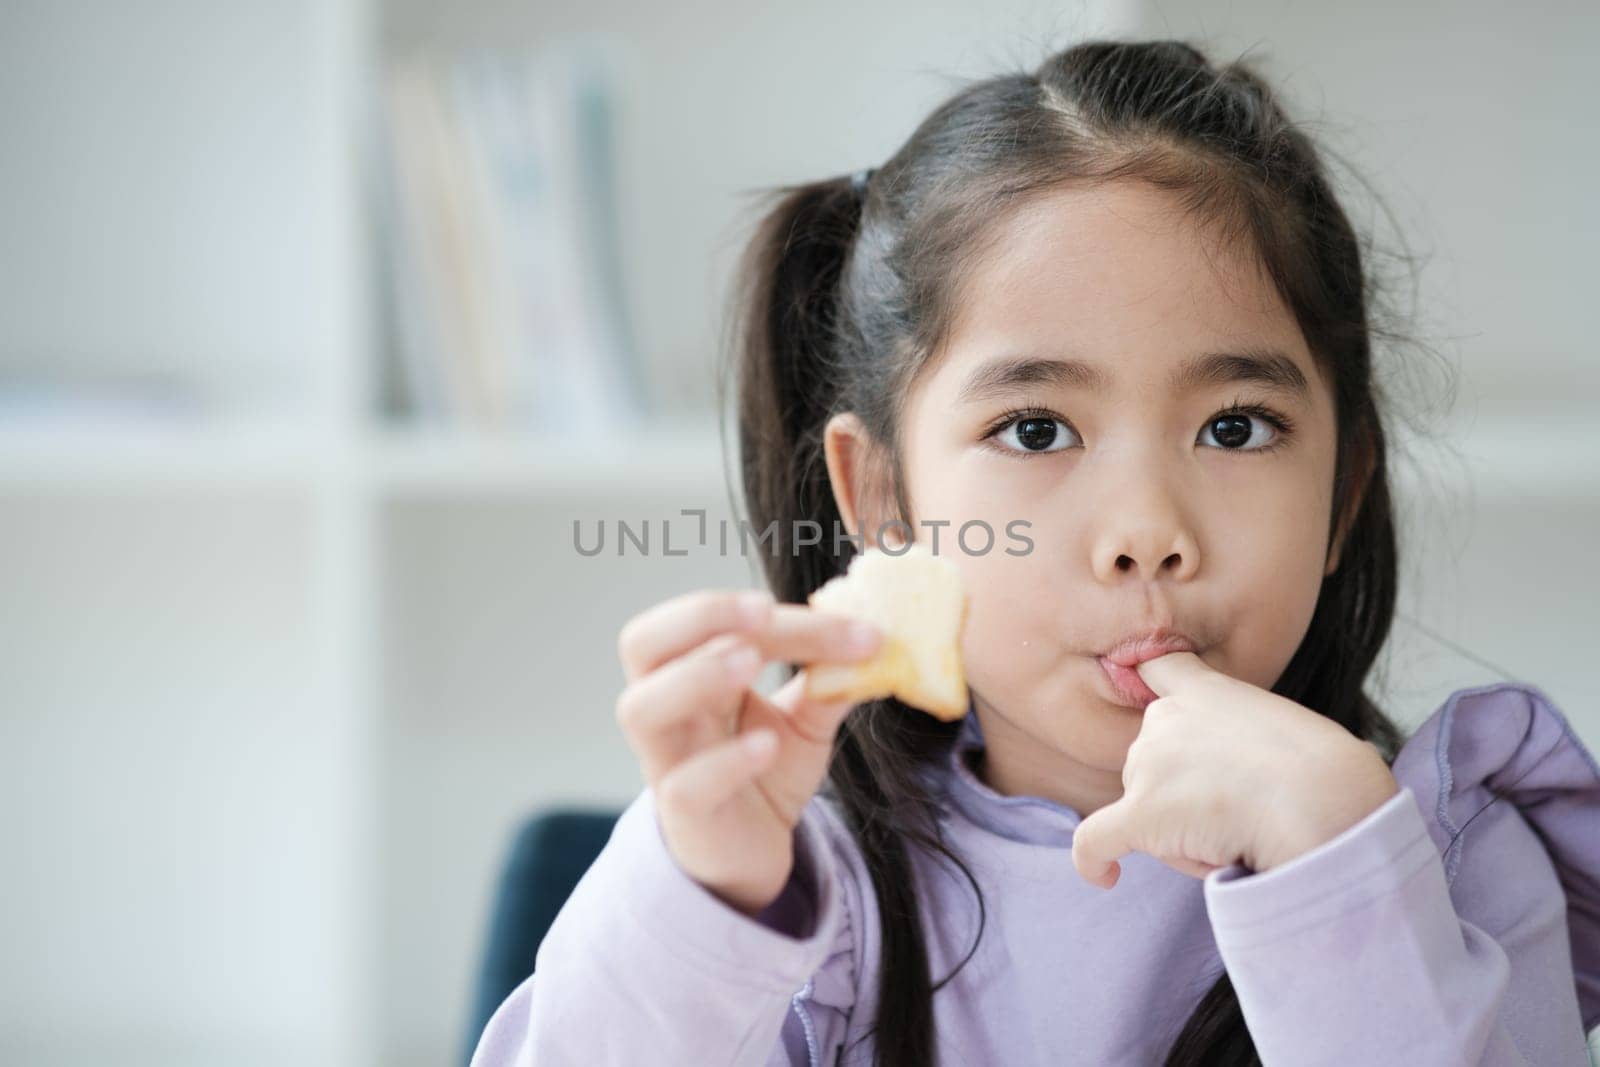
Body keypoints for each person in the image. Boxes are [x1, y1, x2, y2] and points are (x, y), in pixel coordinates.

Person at [469, 38, 1600, 1066]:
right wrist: (704, 899)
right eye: (1035, 430)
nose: (1145, 532)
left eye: (1234, 426)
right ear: (883, 499)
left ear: (1344, 490)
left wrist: (1339, 878)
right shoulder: (798, 889)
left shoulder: (1449, 856)